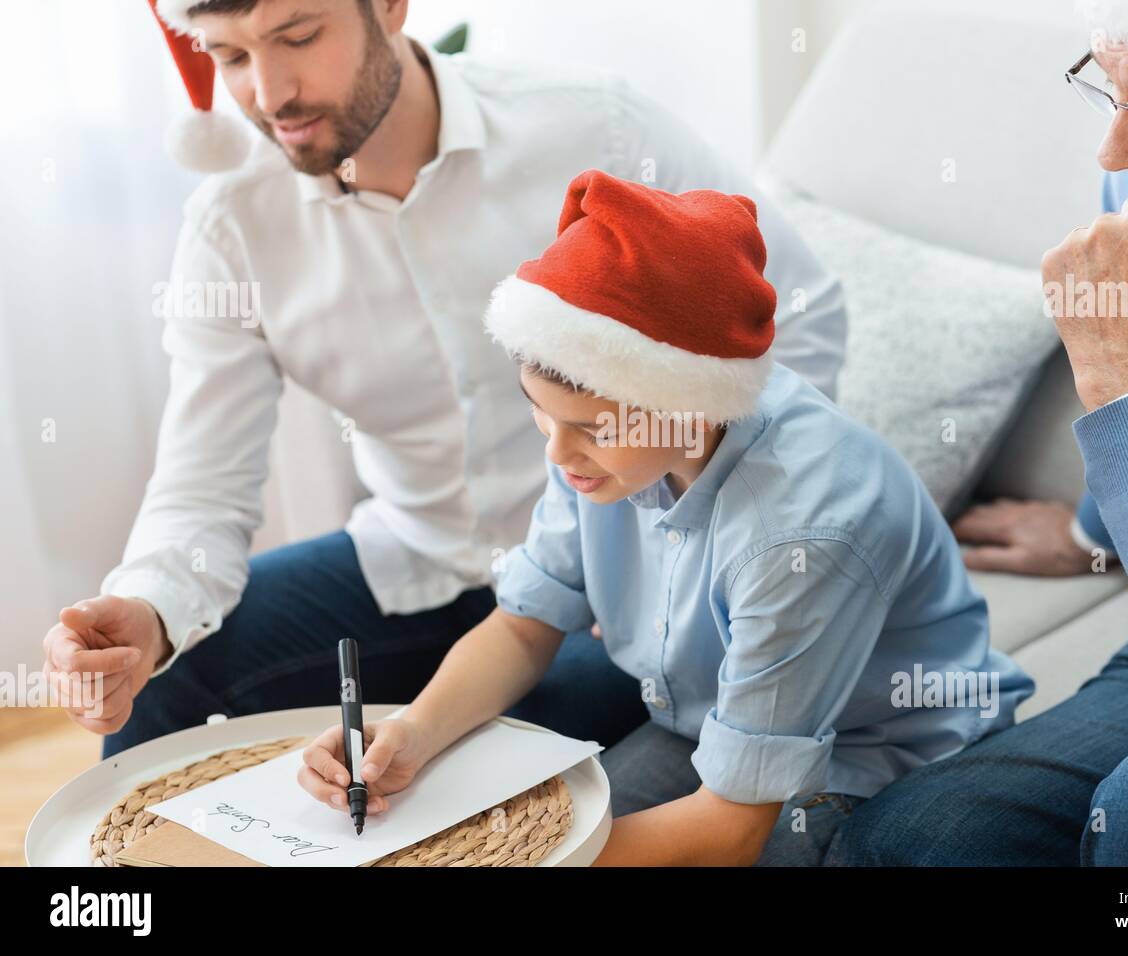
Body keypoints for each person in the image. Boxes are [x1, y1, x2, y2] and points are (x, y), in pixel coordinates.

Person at [40, 0, 847, 762]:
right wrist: (145, 612)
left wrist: (690, 544)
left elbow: (800, 314)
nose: (268, 91)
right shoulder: (232, 226)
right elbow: (201, 488)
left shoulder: (595, 126)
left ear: (389, 6)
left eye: (297, 35)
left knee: (503, 750)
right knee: (167, 683)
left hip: (612, 579)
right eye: (229, 54)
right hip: (414, 560)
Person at [295, 169, 1034, 866]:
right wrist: (409, 737)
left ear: (692, 405)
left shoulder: (799, 533)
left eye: (591, 427)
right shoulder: (594, 442)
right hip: (706, 719)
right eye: (541, 415)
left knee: (547, 838)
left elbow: (731, 829)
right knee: (529, 818)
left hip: (870, 751)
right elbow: (525, 623)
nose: (558, 453)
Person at [828, 0, 1128, 867]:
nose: (1115, 153)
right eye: (1111, 94)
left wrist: (1117, 366)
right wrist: (1090, 531)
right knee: (909, 843)